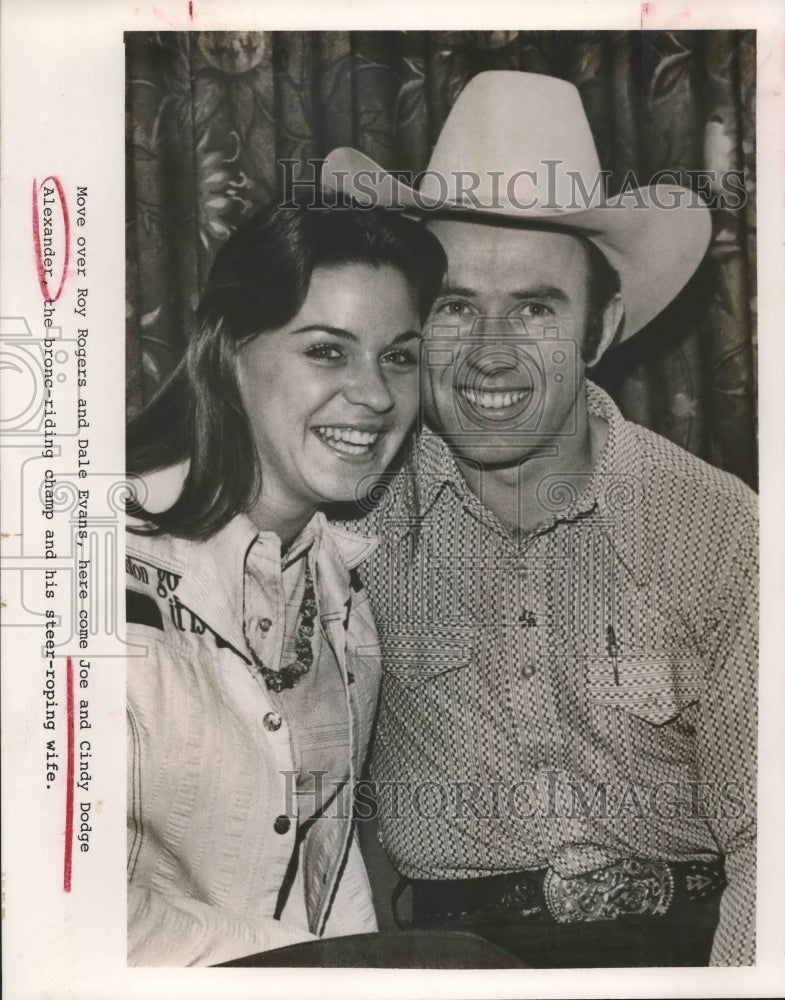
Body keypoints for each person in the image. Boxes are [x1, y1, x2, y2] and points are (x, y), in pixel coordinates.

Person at [322, 71, 758, 967]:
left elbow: (772, 835)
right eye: (452, 307)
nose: (488, 354)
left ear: (601, 329)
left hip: (698, 948)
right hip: (454, 961)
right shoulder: (348, 515)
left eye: (533, 308)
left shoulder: (718, 528)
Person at [124, 198, 446, 965]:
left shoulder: (344, 597)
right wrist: (307, 970)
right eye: (328, 352)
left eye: (398, 356)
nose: (374, 394)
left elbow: (327, 887)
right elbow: (47, 899)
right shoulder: (81, 556)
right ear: (229, 349)